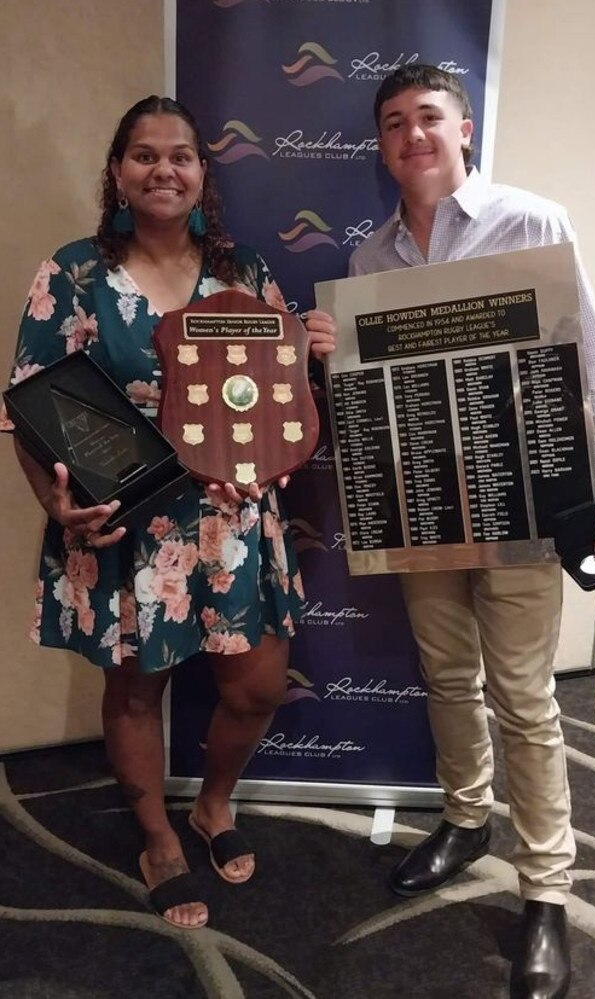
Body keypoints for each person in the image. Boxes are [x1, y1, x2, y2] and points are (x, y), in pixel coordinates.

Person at [4, 95, 336, 930]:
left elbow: (280, 399)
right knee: (134, 689)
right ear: (117, 171)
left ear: (201, 174)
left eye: (180, 155)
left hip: (236, 521)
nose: (163, 169)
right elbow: (29, 408)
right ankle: (157, 835)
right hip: (131, 522)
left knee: (257, 685)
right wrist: (55, 499)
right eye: (144, 155)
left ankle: (213, 804)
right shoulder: (74, 272)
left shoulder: (247, 272)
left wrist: (312, 347)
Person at [349, 65, 595, 998]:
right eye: (394, 123)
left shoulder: (532, 219)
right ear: (382, 144)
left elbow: (587, 355)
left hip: (526, 503)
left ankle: (547, 889)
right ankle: (466, 818)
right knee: (445, 675)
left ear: (464, 128)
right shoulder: (367, 260)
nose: (412, 135)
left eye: (428, 117)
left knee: (524, 696)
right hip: (423, 506)